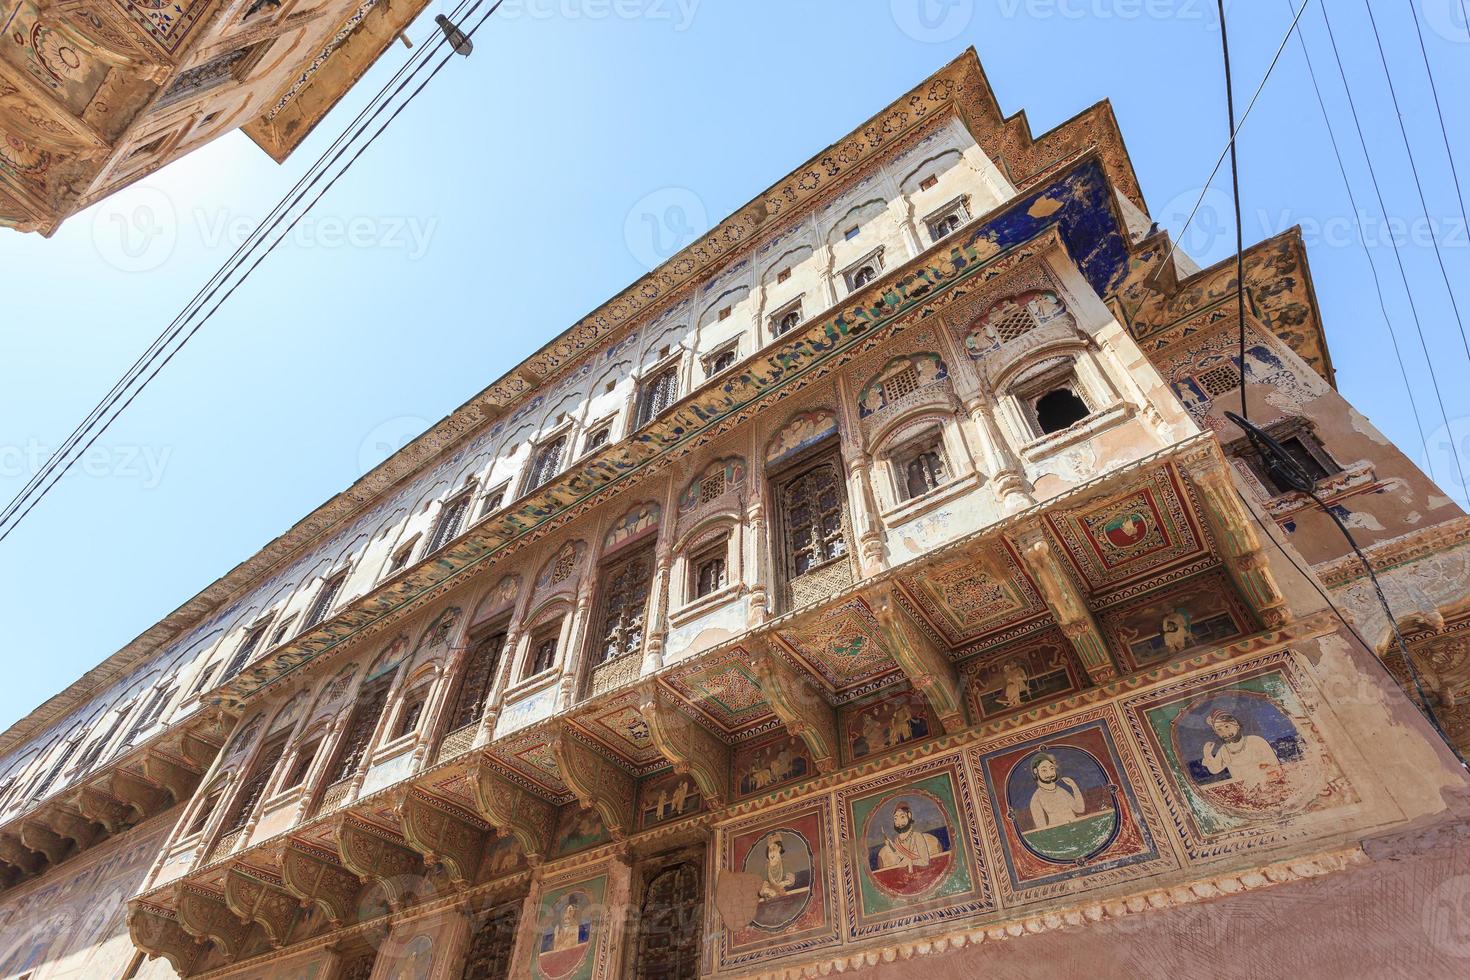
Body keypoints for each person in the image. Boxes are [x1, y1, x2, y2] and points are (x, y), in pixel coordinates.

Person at [1200, 709, 1280, 790]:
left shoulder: (1256, 741)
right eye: (1219, 730)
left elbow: (1274, 765)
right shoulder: (1224, 750)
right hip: (1246, 792)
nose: (1225, 732)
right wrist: (1207, 754)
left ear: (1236, 725)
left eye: (1227, 726)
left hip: (1267, 786)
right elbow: (1215, 769)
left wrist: (1257, 775)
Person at [876, 802, 945, 872]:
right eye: (895, 819)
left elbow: (925, 862)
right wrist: (891, 847)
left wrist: (910, 862)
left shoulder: (917, 836)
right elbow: (900, 861)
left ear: (909, 815)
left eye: (902, 817)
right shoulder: (897, 841)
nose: (899, 822)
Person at [1027, 752, 1086, 829]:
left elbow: (1080, 809)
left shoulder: (1061, 791)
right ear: (1035, 771)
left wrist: (1074, 787)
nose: (1050, 774)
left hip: (1076, 829)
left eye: (1051, 768)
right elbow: (1042, 828)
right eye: (1044, 770)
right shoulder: (1036, 798)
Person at [759, 834, 797, 899]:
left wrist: (784, 883)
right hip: (771, 898)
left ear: (779, 849)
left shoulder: (785, 863)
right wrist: (768, 890)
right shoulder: (766, 868)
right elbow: (762, 887)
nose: (772, 853)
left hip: (785, 896)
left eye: (774, 849)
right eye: (770, 850)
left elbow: (791, 880)